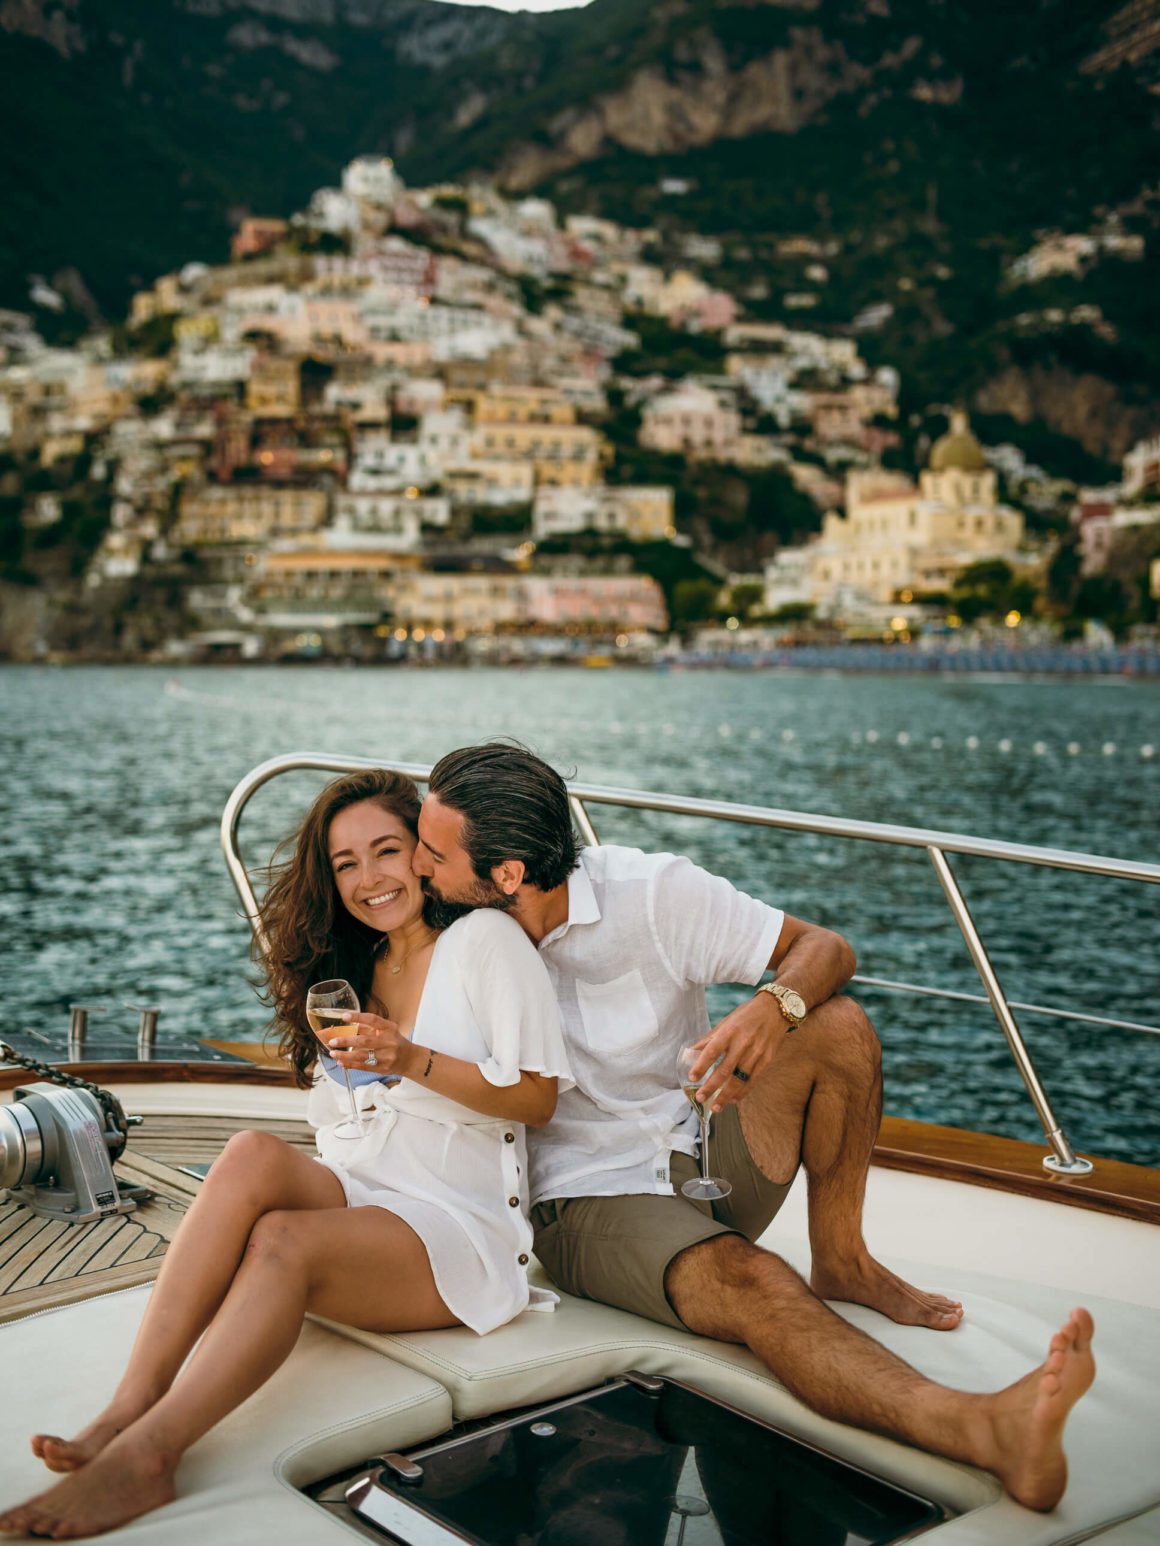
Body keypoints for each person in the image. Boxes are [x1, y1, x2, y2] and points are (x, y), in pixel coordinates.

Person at [411, 742, 1096, 1514]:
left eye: (432, 853)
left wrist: (776, 1007)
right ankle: (978, 1429)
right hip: (588, 1200)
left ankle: (843, 1259)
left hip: (702, 1149)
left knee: (836, 1023)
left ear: (506, 874)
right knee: (755, 1280)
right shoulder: (451, 937)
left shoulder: (651, 893)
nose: (417, 868)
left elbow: (825, 949)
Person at [1, 768, 572, 1540]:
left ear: (427, 855)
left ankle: (153, 1455)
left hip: (462, 1232)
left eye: (388, 851)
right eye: (346, 864)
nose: (370, 878)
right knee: (247, 1154)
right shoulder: (359, 967)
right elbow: (346, 1125)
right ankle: (132, 1405)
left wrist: (406, 1060)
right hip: (373, 1190)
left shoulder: (484, 942)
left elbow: (536, 1097)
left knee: (282, 1241)